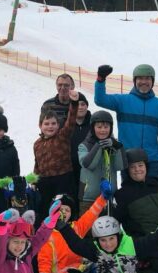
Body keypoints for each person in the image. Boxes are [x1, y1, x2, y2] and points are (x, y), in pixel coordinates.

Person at [94, 64, 158, 181]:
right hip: (129, 160)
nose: (144, 82)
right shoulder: (123, 101)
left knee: (157, 197)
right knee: (131, 197)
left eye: (148, 78)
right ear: (135, 81)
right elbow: (100, 99)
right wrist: (100, 80)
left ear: (152, 81)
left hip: (152, 161)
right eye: (140, 78)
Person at [35, 192, 108, 273]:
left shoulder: (76, 228)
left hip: (81, 272)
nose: (64, 212)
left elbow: (91, 214)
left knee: (102, 266)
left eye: (67, 210)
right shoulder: (47, 235)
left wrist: (103, 198)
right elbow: (44, 265)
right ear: (53, 212)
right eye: (60, 209)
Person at [33, 89, 79, 221]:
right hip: (45, 182)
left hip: (63, 180)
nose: (50, 126)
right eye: (46, 124)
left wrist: (74, 103)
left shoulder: (62, 136)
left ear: (59, 125)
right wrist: (34, 181)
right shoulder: (37, 144)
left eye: (53, 123)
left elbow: (70, 121)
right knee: (46, 211)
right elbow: (37, 165)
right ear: (40, 126)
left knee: (64, 210)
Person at [78, 110, 125, 213]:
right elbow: (88, 164)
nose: (103, 130)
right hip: (88, 198)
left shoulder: (113, 145)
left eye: (106, 127)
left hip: (108, 199)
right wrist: (99, 145)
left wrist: (117, 147)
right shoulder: (84, 146)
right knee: (88, 228)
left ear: (111, 128)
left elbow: (120, 166)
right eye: (99, 127)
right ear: (92, 128)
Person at [70, 93, 91, 201]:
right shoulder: (66, 124)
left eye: (83, 104)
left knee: (84, 200)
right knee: (72, 200)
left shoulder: (94, 124)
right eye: (78, 104)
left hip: (88, 172)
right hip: (70, 171)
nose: (81, 107)